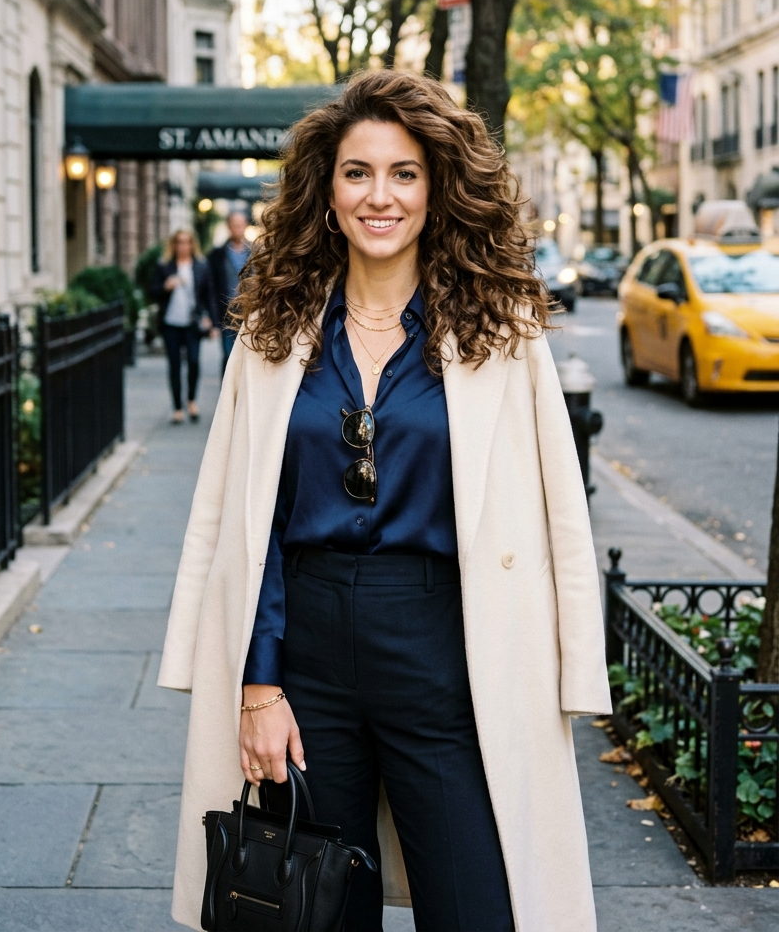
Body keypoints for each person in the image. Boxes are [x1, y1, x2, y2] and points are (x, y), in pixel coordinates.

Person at [158, 72, 611, 932]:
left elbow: (561, 514)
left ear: (436, 189)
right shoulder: (274, 330)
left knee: (483, 903)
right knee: (314, 906)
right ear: (327, 193)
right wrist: (258, 686)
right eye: (358, 172)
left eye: (404, 173)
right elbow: (243, 525)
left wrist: (574, 667)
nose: (381, 195)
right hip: (307, 655)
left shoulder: (501, 327)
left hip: (450, 650)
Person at [150, 229, 215, 423]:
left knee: (194, 362)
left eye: (187, 242)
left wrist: (211, 320)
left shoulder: (201, 266)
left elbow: (209, 295)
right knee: (175, 365)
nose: (183, 246)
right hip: (171, 323)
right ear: (174, 245)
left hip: (192, 324)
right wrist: (165, 287)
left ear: (192, 244)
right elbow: (152, 292)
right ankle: (177, 407)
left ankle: (191, 400)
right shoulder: (164, 267)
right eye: (179, 242)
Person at [207, 211, 251, 372]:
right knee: (228, 356)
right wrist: (212, 319)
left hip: (250, 312)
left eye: (240, 225)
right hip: (226, 312)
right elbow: (211, 288)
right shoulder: (217, 255)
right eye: (234, 225)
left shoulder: (256, 252)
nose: (237, 229)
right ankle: (226, 393)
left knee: (247, 358)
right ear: (228, 227)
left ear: (245, 226)